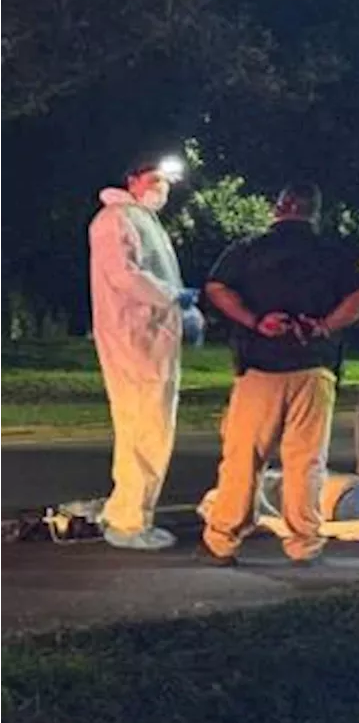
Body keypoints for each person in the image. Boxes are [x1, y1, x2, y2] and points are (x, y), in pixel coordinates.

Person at [199, 183, 359, 566]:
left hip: (259, 367)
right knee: (307, 460)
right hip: (314, 367)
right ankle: (304, 543)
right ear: (314, 212)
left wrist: (255, 320)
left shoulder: (249, 249)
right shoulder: (333, 254)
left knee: (244, 457)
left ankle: (224, 538)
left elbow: (216, 287)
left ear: (278, 208)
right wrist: (325, 326)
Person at [88, 161, 199, 550]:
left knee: (145, 427)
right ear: (131, 179)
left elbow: (157, 275)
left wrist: (184, 311)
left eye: (165, 182)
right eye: (153, 180)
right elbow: (125, 275)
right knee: (146, 430)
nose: (161, 188)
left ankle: (126, 510)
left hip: (150, 338)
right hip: (135, 339)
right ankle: (130, 520)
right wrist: (173, 298)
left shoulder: (141, 219)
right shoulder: (115, 220)